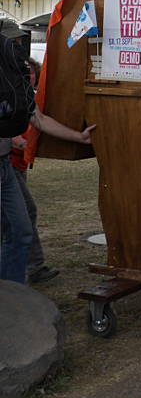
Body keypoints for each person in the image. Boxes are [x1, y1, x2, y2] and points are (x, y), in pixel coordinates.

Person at [1, 29, 96, 283]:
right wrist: (14, 140)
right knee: (15, 228)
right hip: (7, 165)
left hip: (5, 168)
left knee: (20, 229)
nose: (18, 53)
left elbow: (39, 119)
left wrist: (79, 137)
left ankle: (13, 293)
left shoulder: (15, 85)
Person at [10, 58, 60, 283]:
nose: (28, 76)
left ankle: (33, 268)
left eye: (30, 72)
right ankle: (24, 273)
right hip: (8, 164)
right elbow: (14, 136)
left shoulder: (28, 96)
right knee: (21, 217)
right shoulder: (9, 92)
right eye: (24, 72)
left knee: (23, 217)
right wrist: (23, 143)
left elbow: (40, 121)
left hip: (18, 165)